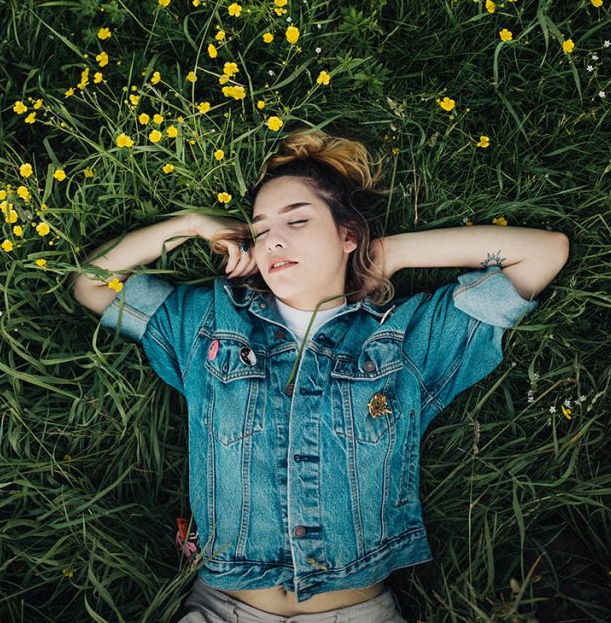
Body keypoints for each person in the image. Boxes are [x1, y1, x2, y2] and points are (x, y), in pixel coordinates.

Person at [71, 127, 570, 622]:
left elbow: (544, 252)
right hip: (226, 608)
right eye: (261, 228)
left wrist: (391, 254)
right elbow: (90, 284)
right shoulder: (208, 323)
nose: (273, 240)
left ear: (347, 235)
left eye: (298, 221)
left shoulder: (404, 338)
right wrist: (196, 224)